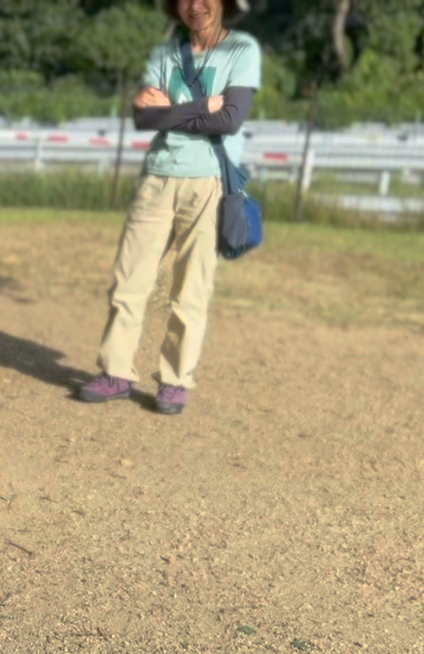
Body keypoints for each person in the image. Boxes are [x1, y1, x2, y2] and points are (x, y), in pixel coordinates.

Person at [79, 0, 261, 416]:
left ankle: (175, 381)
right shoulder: (164, 54)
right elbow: (143, 120)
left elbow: (230, 120)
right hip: (157, 178)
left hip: (209, 181)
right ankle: (115, 372)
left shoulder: (242, 49)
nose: (195, 6)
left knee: (191, 288)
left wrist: (169, 113)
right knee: (129, 280)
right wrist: (201, 108)